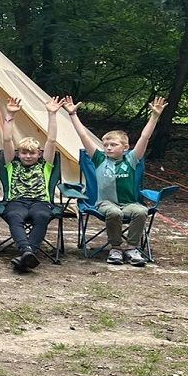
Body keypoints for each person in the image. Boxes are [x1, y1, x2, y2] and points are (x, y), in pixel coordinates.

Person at [63, 94, 167, 267]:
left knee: (141, 211)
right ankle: (115, 248)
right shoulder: (99, 159)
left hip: (129, 203)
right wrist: (73, 115)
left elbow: (144, 138)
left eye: (113, 145)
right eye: (106, 145)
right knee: (114, 213)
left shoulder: (131, 159)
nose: (108, 148)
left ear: (125, 147)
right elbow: (83, 136)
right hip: (105, 203)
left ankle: (132, 248)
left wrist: (154, 116)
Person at [0, 96, 61, 273]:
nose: (27, 156)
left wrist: (52, 115)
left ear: (39, 154)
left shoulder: (45, 166)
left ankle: (27, 254)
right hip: (17, 201)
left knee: (42, 216)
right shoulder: (12, 164)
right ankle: (27, 251)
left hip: (40, 202)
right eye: (24, 153)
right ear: (18, 154)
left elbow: (51, 140)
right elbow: (7, 140)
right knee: (14, 216)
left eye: (32, 153)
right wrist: (10, 115)